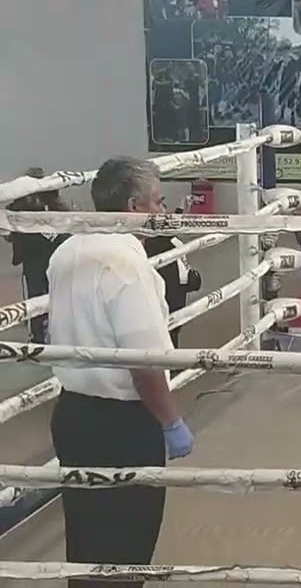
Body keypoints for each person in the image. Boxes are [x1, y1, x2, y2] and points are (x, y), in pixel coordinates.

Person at [47, 157, 195, 588]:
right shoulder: (126, 263)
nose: (162, 212)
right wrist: (171, 421)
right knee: (128, 544)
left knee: (86, 541)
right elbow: (143, 361)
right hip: (122, 425)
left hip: (73, 414)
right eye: (157, 202)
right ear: (133, 206)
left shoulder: (67, 249)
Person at [6, 167, 68, 344]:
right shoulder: (18, 206)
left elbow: (68, 228)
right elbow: (9, 233)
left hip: (54, 259)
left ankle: (57, 336)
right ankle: (36, 338)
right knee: (34, 301)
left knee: (56, 298)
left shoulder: (55, 204)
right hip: (33, 261)